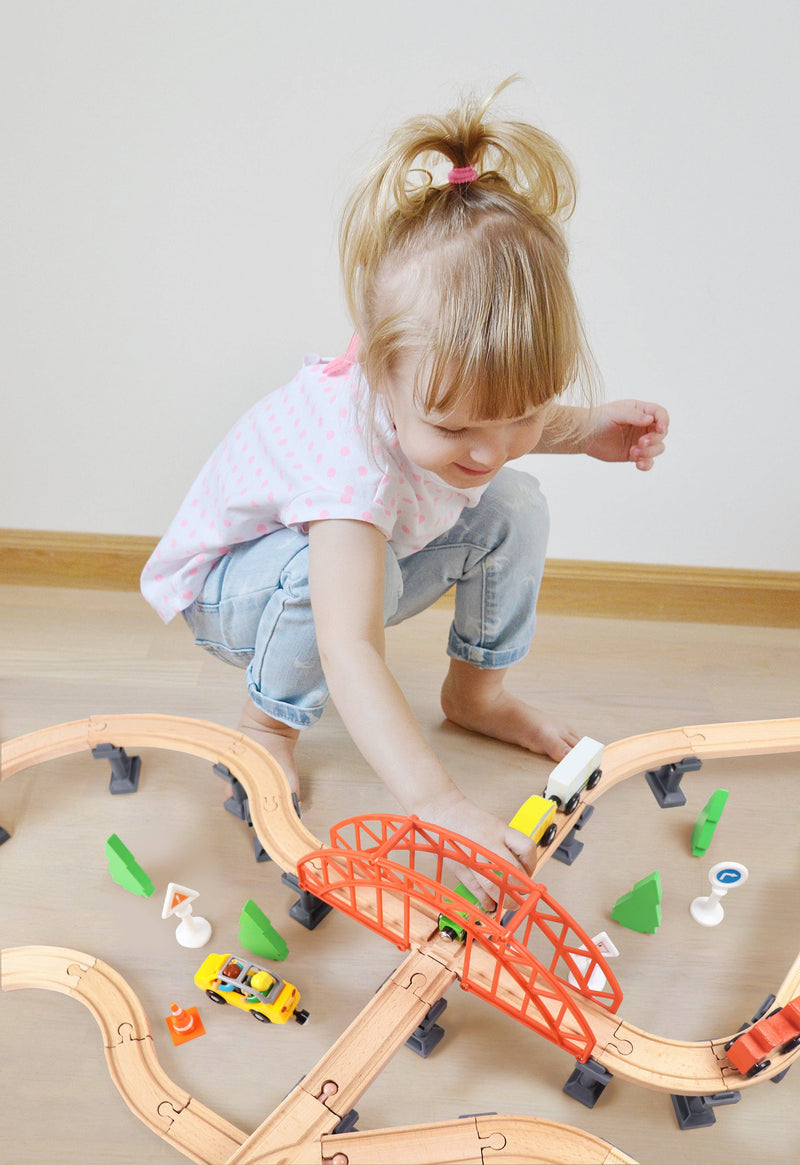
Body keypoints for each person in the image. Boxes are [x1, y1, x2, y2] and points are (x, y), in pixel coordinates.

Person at [141, 80, 668, 906]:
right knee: (360, 577)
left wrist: (583, 427)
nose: (487, 449)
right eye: (456, 429)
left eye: (523, 412)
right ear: (379, 374)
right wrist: (438, 803)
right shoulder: (346, 464)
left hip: (359, 562)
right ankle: (265, 723)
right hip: (237, 592)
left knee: (516, 502)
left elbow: (494, 424)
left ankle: (475, 694)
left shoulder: (461, 413)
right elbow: (350, 645)